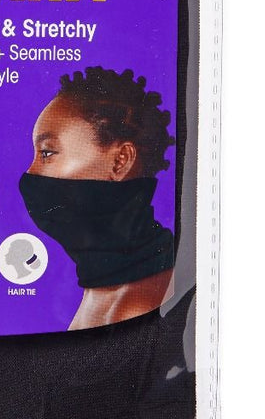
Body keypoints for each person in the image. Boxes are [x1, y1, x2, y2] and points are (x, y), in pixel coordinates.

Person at [20, 67, 175, 329]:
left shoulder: (135, 307)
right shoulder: (104, 288)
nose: (30, 173)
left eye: (47, 153)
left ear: (120, 161)